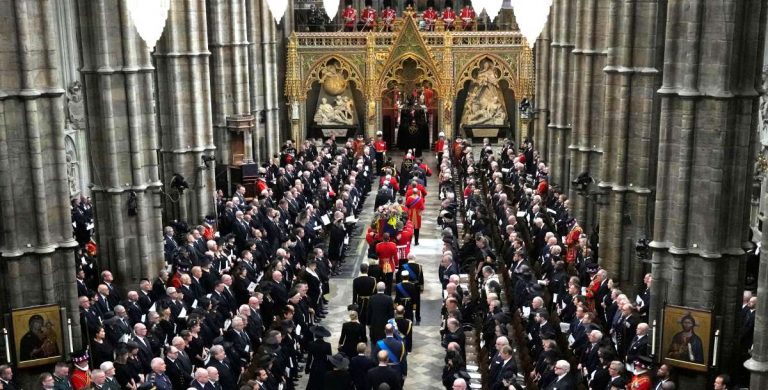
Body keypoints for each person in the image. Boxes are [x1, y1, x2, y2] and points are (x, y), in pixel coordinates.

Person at [368, 282, 395, 346]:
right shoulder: (389, 298)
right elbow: (391, 313)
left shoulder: (372, 298)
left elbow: (369, 312)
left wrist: (368, 323)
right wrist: (391, 323)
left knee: (375, 341)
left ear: (376, 288)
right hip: (385, 323)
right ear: (385, 288)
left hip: (374, 322)